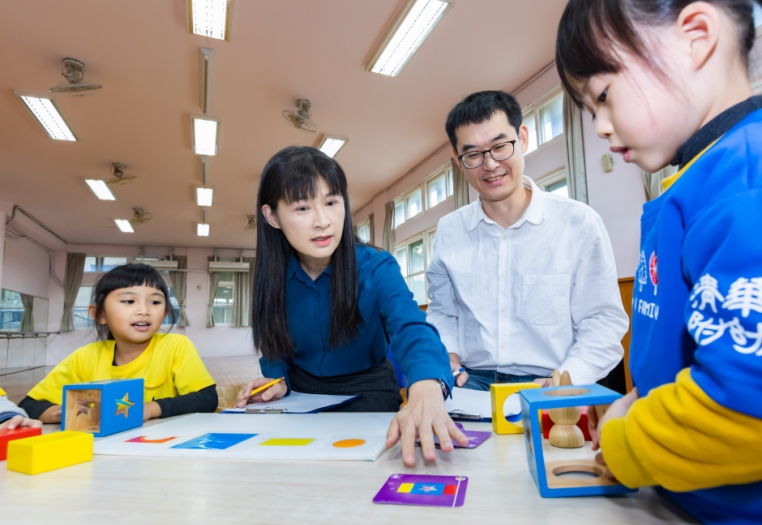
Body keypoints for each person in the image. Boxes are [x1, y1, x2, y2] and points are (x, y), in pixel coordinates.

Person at [555, 0, 762, 525]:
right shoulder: (696, 179)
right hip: (685, 505)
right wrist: (641, 401)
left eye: (602, 96)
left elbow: (752, 414)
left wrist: (627, 439)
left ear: (696, 36)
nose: (600, 126)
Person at [237, 146, 466, 466]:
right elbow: (277, 347)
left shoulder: (376, 266)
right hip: (302, 396)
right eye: (302, 208)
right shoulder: (273, 276)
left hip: (369, 391)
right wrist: (277, 380)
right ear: (272, 216)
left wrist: (427, 384)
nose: (323, 221)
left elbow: (410, 326)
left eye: (332, 202)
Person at [427, 90, 628, 390]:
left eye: (500, 147)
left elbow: (602, 321)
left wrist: (564, 379)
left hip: (553, 380)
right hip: (471, 383)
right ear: (458, 161)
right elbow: (442, 312)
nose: (490, 164)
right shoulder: (449, 230)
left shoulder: (579, 224)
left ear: (522, 138)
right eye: (473, 154)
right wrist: (450, 358)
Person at [19, 264, 218, 422]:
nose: (144, 310)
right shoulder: (85, 357)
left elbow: (207, 399)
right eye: (129, 301)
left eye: (155, 302)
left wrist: (148, 409)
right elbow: (29, 404)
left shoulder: (176, 346)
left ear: (165, 312)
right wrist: (63, 413)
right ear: (99, 314)